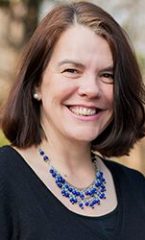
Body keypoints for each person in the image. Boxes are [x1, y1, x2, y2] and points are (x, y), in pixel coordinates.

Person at [0, 1, 145, 239]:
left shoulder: (137, 189)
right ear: (36, 83)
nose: (91, 89)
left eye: (107, 75)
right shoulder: (5, 180)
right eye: (71, 70)